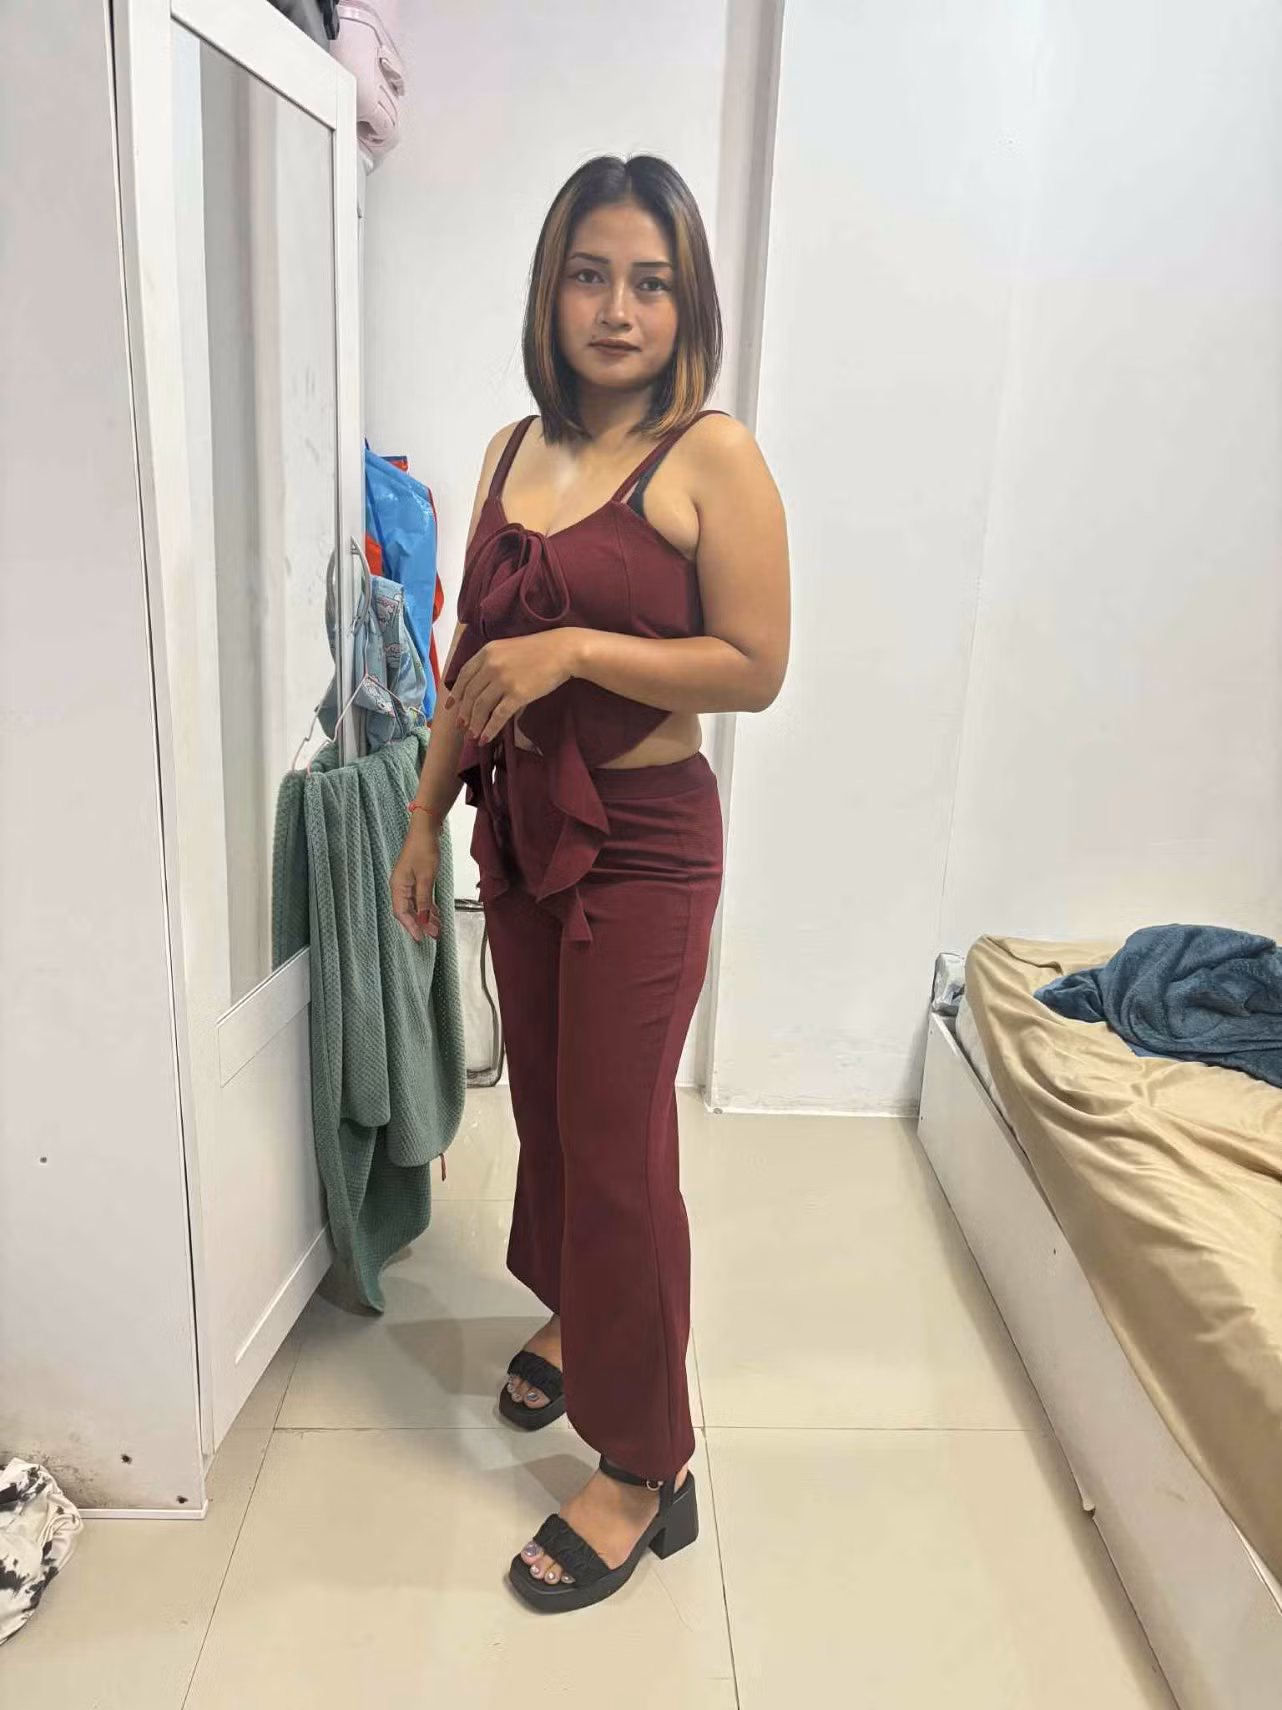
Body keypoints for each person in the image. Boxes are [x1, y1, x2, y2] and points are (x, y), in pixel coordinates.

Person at [390, 153, 790, 1613]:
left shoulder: (710, 456)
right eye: (590, 275)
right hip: (520, 835)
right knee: (553, 1116)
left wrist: (574, 650)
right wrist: (424, 817)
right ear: (550, 291)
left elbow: (754, 664)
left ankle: (644, 1461)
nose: (617, 309)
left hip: (644, 842)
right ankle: (580, 1317)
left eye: (650, 283)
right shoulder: (512, 449)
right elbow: (471, 663)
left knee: (619, 1149)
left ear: (688, 304)